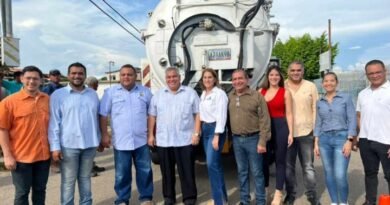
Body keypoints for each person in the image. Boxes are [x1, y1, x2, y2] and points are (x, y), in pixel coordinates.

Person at [100, 64, 153, 205]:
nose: (126, 77)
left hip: (141, 141)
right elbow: (103, 115)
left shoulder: (145, 92)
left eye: (129, 74)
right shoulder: (110, 93)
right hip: (121, 142)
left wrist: (152, 135)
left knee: (145, 171)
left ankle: (146, 198)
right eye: (123, 74)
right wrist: (104, 135)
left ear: (136, 76)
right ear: (119, 76)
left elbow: (152, 114)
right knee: (122, 174)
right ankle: (122, 199)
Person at [49, 62, 100, 205]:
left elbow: (95, 119)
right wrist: (55, 147)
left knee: (85, 178)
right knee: (68, 181)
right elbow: (54, 122)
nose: (77, 76)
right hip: (68, 145)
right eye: (74, 73)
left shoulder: (93, 94)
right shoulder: (58, 95)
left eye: (80, 73)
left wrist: (100, 139)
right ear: (68, 75)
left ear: (84, 75)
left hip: (89, 145)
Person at [148, 67, 201, 205]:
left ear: (179, 77)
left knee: (187, 171)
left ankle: (189, 197)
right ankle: (169, 197)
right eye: (169, 77)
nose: (172, 79)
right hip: (164, 140)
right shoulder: (158, 95)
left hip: (185, 140)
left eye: (174, 76)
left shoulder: (190, 93)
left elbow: (198, 114)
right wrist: (151, 135)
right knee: (167, 172)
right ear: (166, 79)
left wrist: (196, 133)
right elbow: (152, 116)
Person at [0, 66, 51, 205]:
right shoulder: (8, 102)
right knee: (22, 193)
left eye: (35, 78)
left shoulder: (47, 99)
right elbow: (2, 130)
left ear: (41, 80)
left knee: (40, 190)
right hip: (21, 158)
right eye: (28, 78)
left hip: (43, 157)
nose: (31, 81)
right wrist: (7, 155)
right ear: (22, 79)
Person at [228, 69, 271, 205]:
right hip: (236, 140)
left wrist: (262, 141)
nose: (237, 81)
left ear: (247, 80)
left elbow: (265, 119)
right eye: (234, 79)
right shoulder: (230, 96)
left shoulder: (256, 96)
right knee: (242, 172)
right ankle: (244, 200)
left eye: (240, 78)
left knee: (257, 173)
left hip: (254, 139)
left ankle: (260, 201)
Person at [313, 72, 357, 205]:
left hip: (341, 139)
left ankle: (343, 202)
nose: (328, 83)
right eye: (326, 81)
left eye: (332, 80)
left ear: (337, 82)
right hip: (324, 140)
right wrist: (316, 142)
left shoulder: (345, 98)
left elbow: (352, 119)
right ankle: (334, 201)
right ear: (322, 84)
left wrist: (350, 141)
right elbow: (318, 122)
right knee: (329, 173)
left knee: (339, 174)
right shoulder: (319, 102)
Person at [284, 61, 320, 205]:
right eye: (292, 70)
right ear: (288, 72)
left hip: (306, 132)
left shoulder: (310, 86)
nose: (295, 72)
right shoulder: (283, 85)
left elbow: (316, 109)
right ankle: (291, 194)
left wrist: (315, 131)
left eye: (298, 70)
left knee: (308, 167)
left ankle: (311, 194)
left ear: (303, 71)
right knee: (288, 167)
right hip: (288, 134)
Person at [258, 65, 293, 205]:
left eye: (276, 75)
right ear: (267, 76)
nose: (274, 77)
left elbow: (289, 114)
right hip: (264, 128)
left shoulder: (285, 92)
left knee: (280, 161)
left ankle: (278, 193)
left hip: (280, 127)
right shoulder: (261, 91)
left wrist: (291, 133)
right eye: (271, 75)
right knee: (263, 161)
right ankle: (265, 189)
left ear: (280, 77)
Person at [357, 59, 390, 205]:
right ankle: (370, 201)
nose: (374, 75)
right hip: (365, 141)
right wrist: (359, 135)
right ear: (366, 75)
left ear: (385, 71)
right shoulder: (362, 93)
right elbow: (359, 115)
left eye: (378, 72)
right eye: (371, 73)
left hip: (386, 141)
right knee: (370, 174)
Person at [199, 68, 228, 205]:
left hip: (215, 130)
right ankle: (222, 198)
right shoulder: (204, 93)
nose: (207, 80)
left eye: (210, 77)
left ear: (215, 79)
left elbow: (222, 115)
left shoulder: (220, 94)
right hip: (205, 130)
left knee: (211, 165)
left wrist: (217, 135)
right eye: (205, 77)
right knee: (215, 165)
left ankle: (218, 202)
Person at [85, 76, 106, 176]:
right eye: (96, 84)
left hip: (94, 125)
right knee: (88, 149)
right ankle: (87, 170)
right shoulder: (87, 94)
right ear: (92, 84)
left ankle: (92, 165)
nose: (98, 86)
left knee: (92, 148)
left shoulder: (93, 94)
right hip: (88, 126)